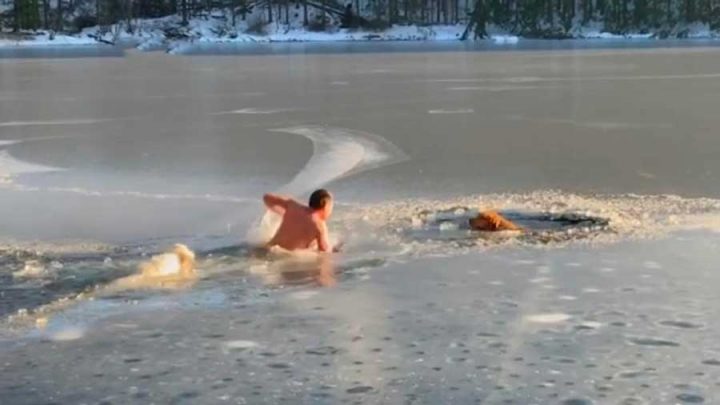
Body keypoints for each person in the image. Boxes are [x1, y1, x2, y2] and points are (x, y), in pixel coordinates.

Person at [262, 189, 341, 252]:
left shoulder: (293, 206)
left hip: (267, 249)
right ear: (325, 206)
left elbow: (266, 197)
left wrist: (284, 213)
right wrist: (335, 250)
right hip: (283, 257)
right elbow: (324, 250)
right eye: (331, 208)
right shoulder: (319, 225)